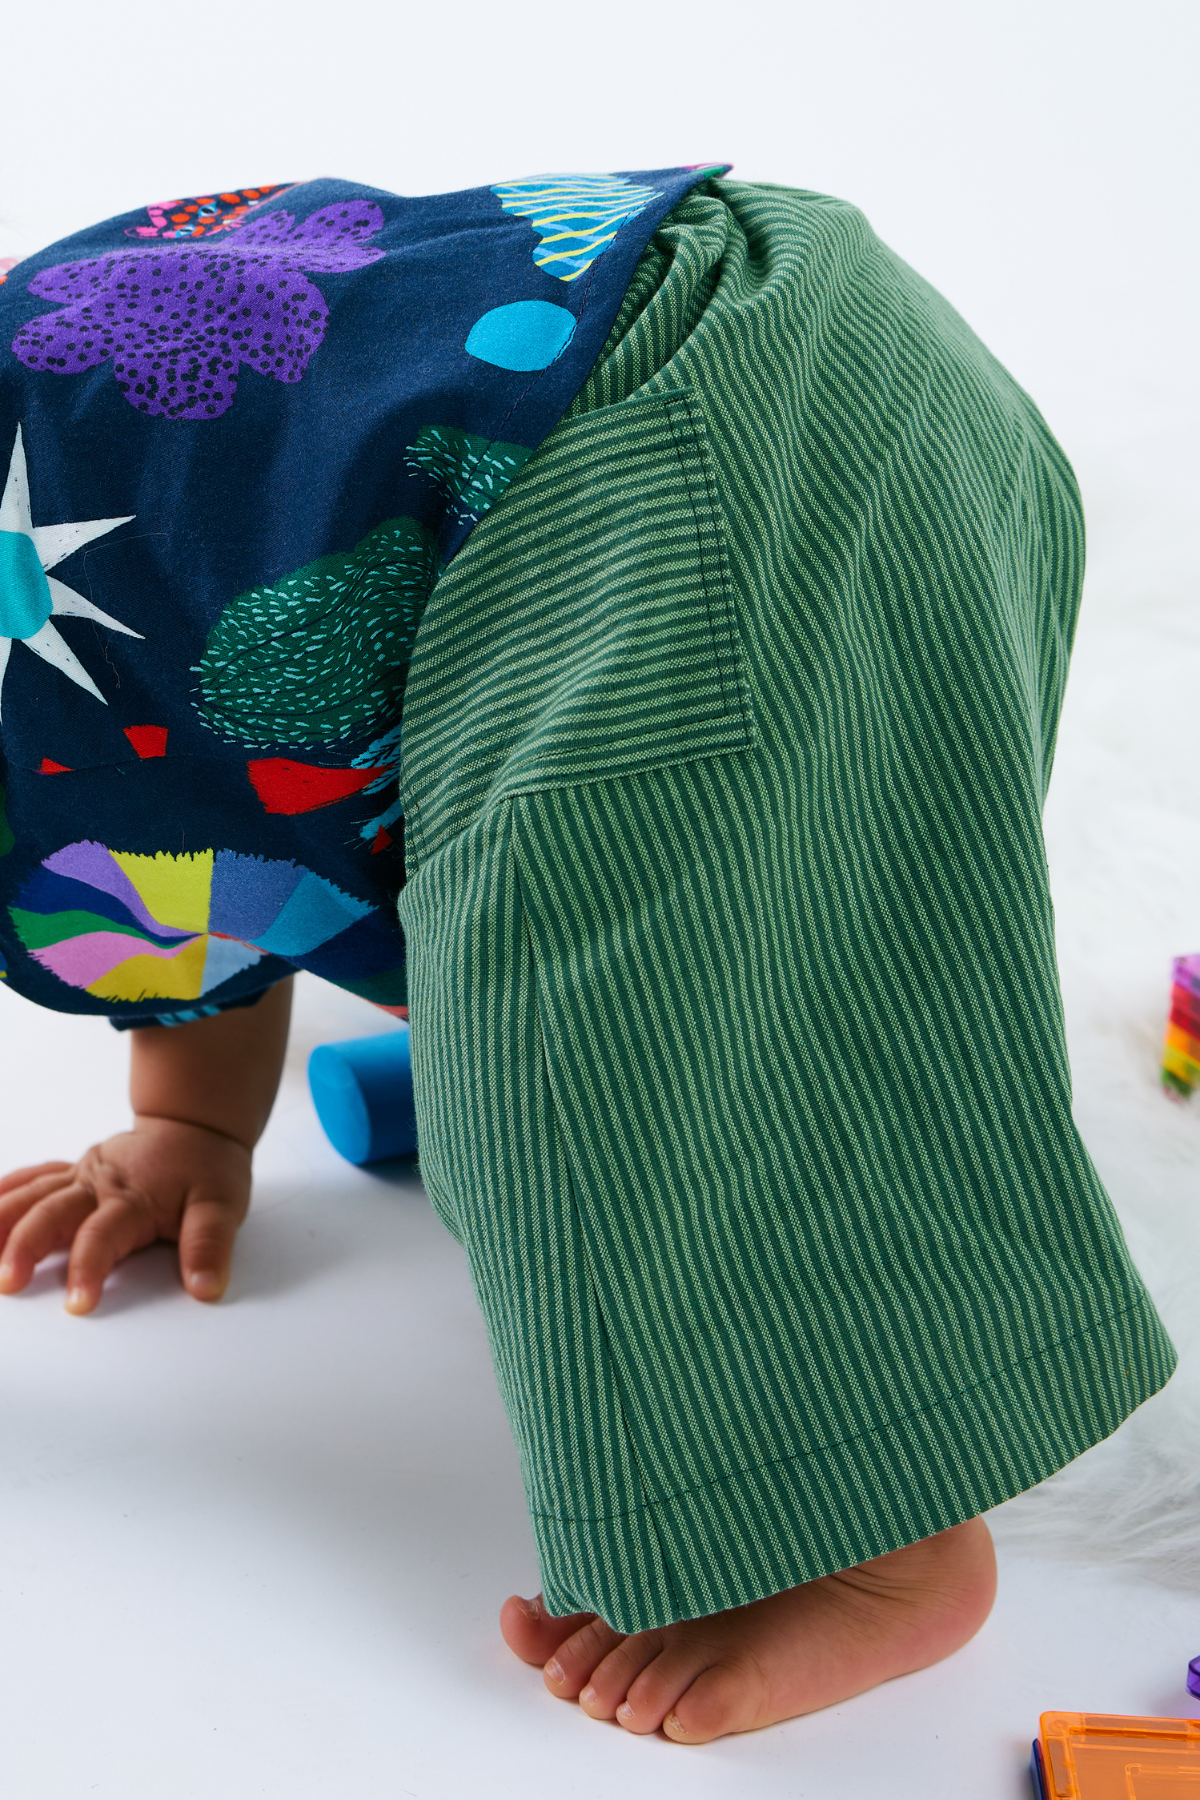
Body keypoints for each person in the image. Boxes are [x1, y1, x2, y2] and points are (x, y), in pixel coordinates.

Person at [0, 172, 1175, 1744]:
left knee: (643, 1012)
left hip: (651, 462)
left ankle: (892, 1551)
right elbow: (171, 794)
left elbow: (134, 802)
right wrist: (192, 1125)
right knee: (803, 895)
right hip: (787, 314)